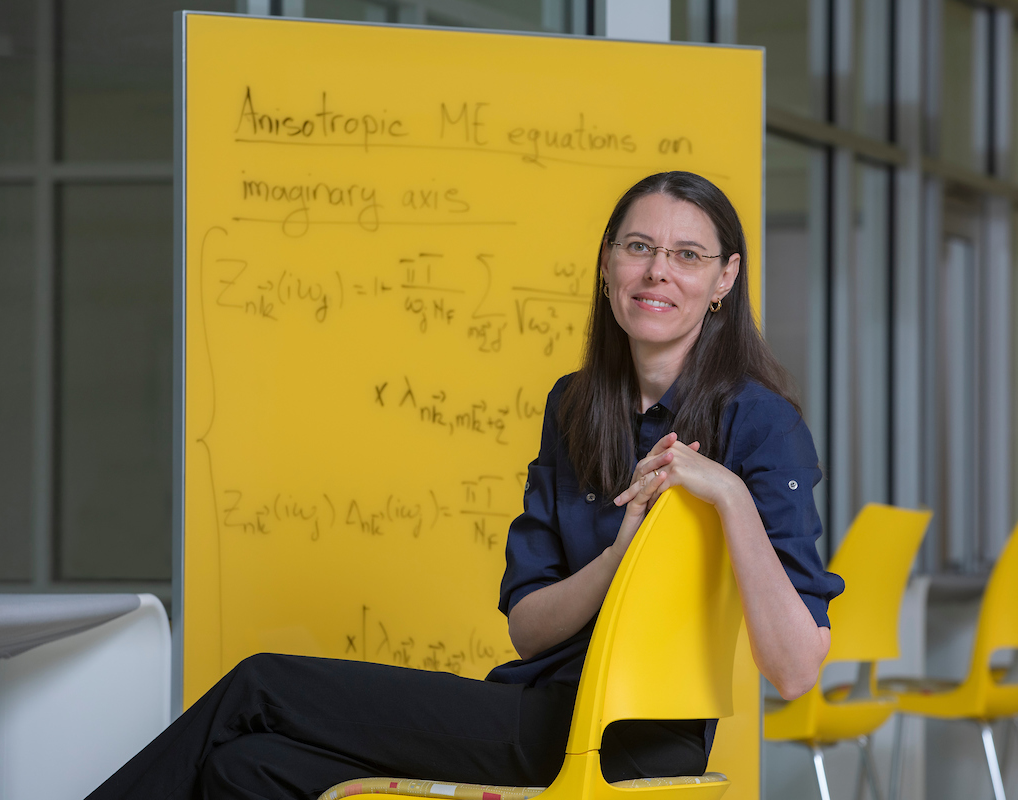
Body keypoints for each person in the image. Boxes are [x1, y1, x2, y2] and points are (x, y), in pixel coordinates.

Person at [86, 171, 843, 800]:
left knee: (259, 687)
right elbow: (529, 627)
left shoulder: (760, 422)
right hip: (531, 711)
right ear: (608, 264)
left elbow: (796, 666)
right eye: (638, 247)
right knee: (243, 772)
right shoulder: (575, 406)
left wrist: (729, 495)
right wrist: (620, 555)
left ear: (724, 279)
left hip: (623, 739)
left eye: (686, 255)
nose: (657, 272)